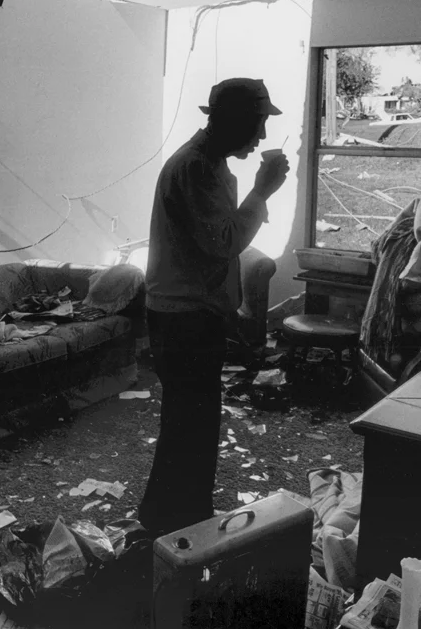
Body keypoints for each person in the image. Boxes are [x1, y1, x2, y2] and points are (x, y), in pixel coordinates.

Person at [137, 76, 290, 537]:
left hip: (190, 315)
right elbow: (222, 243)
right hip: (183, 320)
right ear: (233, 121)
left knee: (192, 426)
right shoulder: (197, 169)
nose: (262, 136)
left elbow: (212, 250)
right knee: (191, 427)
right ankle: (179, 526)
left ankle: (173, 519)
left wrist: (229, 309)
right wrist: (262, 192)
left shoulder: (210, 165)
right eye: (258, 123)